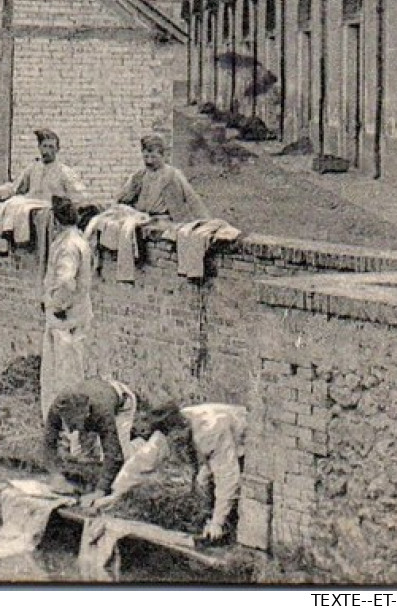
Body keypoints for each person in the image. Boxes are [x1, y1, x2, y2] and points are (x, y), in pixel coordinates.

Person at [97, 401, 248, 544]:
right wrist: (117, 493)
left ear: (183, 427)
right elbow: (140, 462)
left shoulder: (210, 431)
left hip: (245, 438)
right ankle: (207, 518)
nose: (175, 443)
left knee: (218, 484)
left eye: (178, 438)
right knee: (202, 482)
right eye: (172, 439)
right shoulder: (166, 433)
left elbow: (227, 477)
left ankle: (226, 526)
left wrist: (218, 522)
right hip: (215, 437)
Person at [41, 196, 95, 416]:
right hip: (78, 314)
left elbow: (65, 280)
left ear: (56, 220)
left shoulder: (68, 246)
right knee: (73, 370)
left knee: (62, 374)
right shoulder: (79, 240)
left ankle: (63, 429)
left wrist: (59, 306)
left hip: (67, 319)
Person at [45, 377, 140, 497]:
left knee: (123, 458)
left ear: (86, 414)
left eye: (75, 424)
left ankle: (140, 445)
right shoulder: (58, 408)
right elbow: (49, 444)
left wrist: (100, 491)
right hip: (95, 392)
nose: (72, 429)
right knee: (82, 456)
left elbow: (114, 455)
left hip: (122, 401)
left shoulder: (103, 414)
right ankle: (88, 484)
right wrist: (56, 475)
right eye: (69, 424)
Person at [117, 133, 209, 221]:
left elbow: (192, 200)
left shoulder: (173, 175)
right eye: (145, 157)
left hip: (165, 222)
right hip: (141, 222)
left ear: (162, 155)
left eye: (153, 157)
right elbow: (122, 199)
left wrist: (206, 223)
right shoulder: (139, 176)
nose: (149, 161)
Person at [0, 128, 88, 202]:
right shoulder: (32, 169)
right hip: (31, 215)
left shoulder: (65, 172)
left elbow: (79, 196)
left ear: (57, 149)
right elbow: (16, 188)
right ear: (39, 147)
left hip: (52, 216)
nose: (47, 151)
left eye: (51, 147)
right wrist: (1, 191)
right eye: (44, 146)